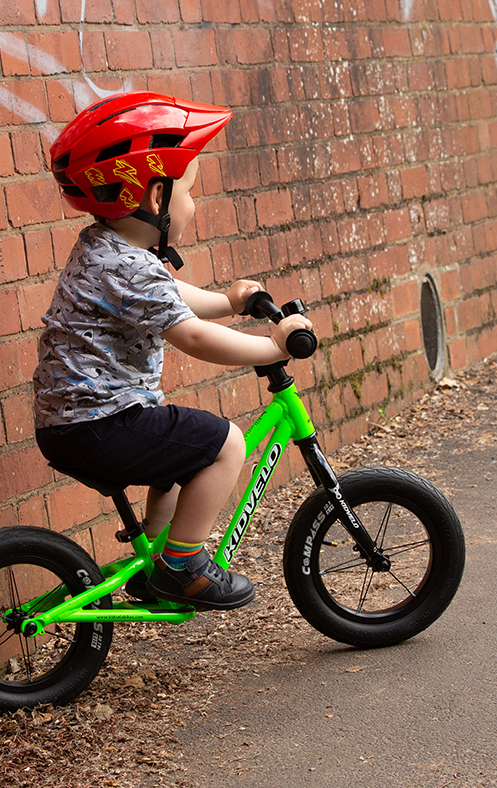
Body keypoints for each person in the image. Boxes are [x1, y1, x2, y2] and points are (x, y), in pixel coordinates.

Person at [32, 91, 313, 610]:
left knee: (178, 455)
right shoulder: (130, 267)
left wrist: (230, 301)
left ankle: (153, 563)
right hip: (97, 424)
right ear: (156, 199)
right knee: (225, 443)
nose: (193, 203)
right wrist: (269, 345)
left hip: (81, 422)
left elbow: (173, 300)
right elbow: (192, 336)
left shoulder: (106, 248)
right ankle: (182, 567)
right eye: (188, 192)